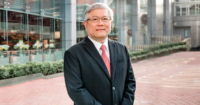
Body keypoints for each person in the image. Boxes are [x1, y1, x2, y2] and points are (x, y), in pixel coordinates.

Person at [64, 3, 136, 105]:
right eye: (95, 19)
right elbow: (76, 90)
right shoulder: (73, 54)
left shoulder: (122, 49)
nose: (101, 23)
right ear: (86, 25)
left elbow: (130, 81)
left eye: (105, 19)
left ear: (111, 23)